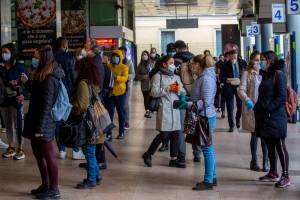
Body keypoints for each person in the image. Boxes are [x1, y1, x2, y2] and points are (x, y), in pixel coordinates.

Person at [23, 45, 61, 199]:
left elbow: (47, 104)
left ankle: (54, 189)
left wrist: (40, 127)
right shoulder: (41, 75)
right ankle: (45, 185)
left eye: (36, 57)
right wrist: (27, 83)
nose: (34, 59)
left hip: (43, 123)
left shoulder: (50, 78)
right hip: (36, 121)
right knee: (39, 155)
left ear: (43, 59)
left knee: (49, 156)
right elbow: (37, 96)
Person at [179, 54, 217, 190]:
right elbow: (199, 97)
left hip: (204, 117)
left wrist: (187, 104)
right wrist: (187, 98)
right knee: (209, 148)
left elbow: (205, 102)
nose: (191, 67)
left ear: (198, 65)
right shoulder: (204, 77)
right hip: (205, 115)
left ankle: (208, 181)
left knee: (206, 149)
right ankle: (212, 177)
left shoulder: (206, 78)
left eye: (193, 64)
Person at [254, 51, 290, 188]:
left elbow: (282, 97)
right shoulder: (266, 74)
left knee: (280, 146)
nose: (260, 62)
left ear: (270, 60)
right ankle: (273, 172)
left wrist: (268, 108)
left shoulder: (278, 74)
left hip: (276, 116)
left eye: (262, 59)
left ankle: (286, 175)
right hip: (265, 117)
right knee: (269, 145)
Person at [142, 55, 186, 168]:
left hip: (175, 108)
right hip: (164, 108)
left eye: (173, 63)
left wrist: (179, 89)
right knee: (164, 135)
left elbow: (183, 90)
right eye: (170, 63)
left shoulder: (176, 77)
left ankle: (173, 159)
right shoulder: (157, 76)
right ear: (164, 64)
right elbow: (153, 92)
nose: (173, 65)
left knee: (176, 134)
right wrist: (167, 89)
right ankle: (148, 154)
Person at [71, 56, 103, 189]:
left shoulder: (83, 84)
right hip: (96, 121)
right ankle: (97, 175)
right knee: (90, 151)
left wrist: (73, 107)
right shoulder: (94, 83)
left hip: (89, 124)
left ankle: (91, 180)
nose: (75, 71)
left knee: (89, 152)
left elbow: (82, 105)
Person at [54, 37, 85, 160]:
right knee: (73, 122)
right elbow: (73, 77)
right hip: (68, 94)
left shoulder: (51, 57)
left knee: (59, 122)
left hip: (55, 95)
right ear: (65, 45)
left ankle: (61, 150)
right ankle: (76, 150)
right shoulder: (69, 58)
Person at [238, 51, 268, 172]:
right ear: (251, 60)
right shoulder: (247, 73)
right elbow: (241, 90)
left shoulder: (265, 73)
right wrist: (247, 100)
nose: (258, 62)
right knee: (255, 135)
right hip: (253, 108)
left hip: (265, 108)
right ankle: (254, 160)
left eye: (260, 59)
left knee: (265, 136)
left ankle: (265, 161)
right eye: (256, 60)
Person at [0, 43, 27, 160]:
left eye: (6, 52)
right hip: (3, 100)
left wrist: (23, 95)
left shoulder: (19, 66)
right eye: (2, 52)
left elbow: (27, 82)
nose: (3, 54)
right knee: (8, 124)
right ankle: (11, 146)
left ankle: (20, 148)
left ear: (12, 53)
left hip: (16, 99)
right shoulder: (0, 66)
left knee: (18, 125)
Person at [219, 50, 247, 132]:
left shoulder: (242, 63)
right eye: (232, 57)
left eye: (235, 56)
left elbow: (246, 73)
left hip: (239, 87)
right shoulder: (224, 65)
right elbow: (221, 77)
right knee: (230, 107)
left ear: (237, 55)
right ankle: (231, 125)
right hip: (229, 87)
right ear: (230, 56)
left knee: (240, 105)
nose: (234, 58)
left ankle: (237, 119)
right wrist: (228, 80)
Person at [105, 50, 129, 141]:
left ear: (120, 58)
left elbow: (125, 78)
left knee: (121, 113)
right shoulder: (108, 66)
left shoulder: (124, 67)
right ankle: (109, 134)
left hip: (120, 93)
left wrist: (117, 78)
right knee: (109, 114)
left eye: (117, 56)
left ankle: (121, 132)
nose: (115, 58)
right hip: (110, 93)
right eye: (113, 56)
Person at [119, 46, 135, 129]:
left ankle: (126, 121)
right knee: (119, 105)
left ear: (125, 53)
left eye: (123, 53)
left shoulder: (129, 62)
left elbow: (133, 74)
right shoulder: (116, 62)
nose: (121, 54)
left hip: (127, 86)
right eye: (120, 52)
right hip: (118, 86)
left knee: (125, 104)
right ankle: (121, 121)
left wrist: (125, 76)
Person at [137, 50, 152, 118]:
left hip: (151, 84)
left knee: (150, 98)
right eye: (143, 55)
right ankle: (147, 111)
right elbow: (136, 76)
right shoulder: (140, 65)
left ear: (148, 56)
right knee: (146, 98)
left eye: (145, 54)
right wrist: (143, 77)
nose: (144, 56)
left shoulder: (151, 63)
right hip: (144, 84)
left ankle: (150, 110)